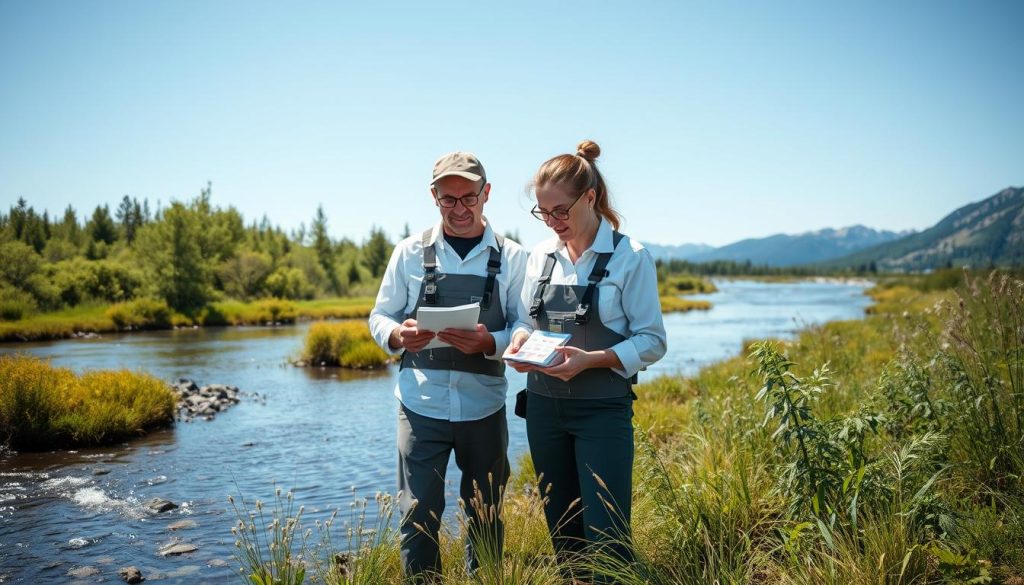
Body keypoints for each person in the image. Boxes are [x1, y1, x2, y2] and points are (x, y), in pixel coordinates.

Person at [506, 140, 667, 581]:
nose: (553, 222)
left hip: (601, 411)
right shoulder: (540, 256)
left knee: (608, 537)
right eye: (544, 213)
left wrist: (590, 359)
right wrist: (520, 344)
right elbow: (524, 319)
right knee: (564, 533)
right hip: (542, 410)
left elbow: (652, 341)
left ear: (590, 197)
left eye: (561, 211)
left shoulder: (630, 257)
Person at [368, 151, 527, 583]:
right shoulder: (408, 252)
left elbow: (525, 326)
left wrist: (490, 342)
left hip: (485, 406)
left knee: (486, 515)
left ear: (486, 194)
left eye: (468, 198)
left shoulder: (513, 257)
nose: (459, 209)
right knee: (417, 516)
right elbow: (379, 316)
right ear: (433, 196)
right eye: (448, 199)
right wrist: (399, 335)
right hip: (420, 404)